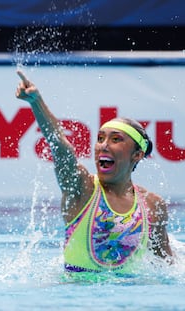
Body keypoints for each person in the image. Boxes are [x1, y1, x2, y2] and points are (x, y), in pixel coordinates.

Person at [15, 70, 173, 274]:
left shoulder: (152, 204)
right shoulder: (83, 189)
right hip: (74, 295)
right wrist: (37, 102)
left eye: (116, 140)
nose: (103, 146)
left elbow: (167, 265)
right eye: (100, 139)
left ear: (137, 155)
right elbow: (61, 148)